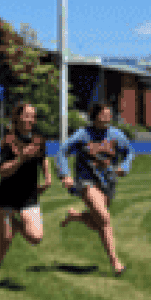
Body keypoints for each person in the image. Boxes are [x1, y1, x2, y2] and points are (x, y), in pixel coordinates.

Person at [56, 104, 134, 277]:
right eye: (104, 115)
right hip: (86, 182)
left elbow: (129, 151)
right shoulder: (83, 135)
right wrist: (65, 175)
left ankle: (75, 216)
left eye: (110, 115)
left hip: (108, 183)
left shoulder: (116, 135)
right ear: (95, 116)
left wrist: (125, 166)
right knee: (104, 218)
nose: (108, 118)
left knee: (98, 222)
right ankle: (116, 263)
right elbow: (62, 151)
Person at [0, 103, 52, 285]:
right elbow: (2, 170)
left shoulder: (39, 140)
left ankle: (15, 225)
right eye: (27, 115)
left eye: (33, 116)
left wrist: (48, 177)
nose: (31, 119)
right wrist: (20, 160)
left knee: (36, 237)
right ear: (18, 117)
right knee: (4, 241)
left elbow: (43, 158)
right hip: (7, 196)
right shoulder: (8, 141)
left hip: (29, 196)